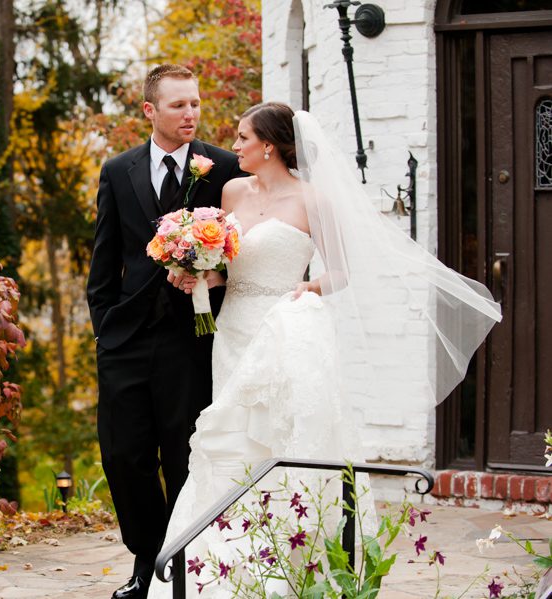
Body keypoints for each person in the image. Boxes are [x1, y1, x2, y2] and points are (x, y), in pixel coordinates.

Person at [148, 102, 503, 597]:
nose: (235, 145)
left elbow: (340, 271)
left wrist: (311, 289)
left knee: (278, 433)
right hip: (232, 330)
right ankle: (222, 558)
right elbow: (228, 264)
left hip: (285, 326)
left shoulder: (314, 200)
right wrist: (199, 273)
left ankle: (288, 555)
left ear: (269, 145)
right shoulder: (230, 192)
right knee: (231, 434)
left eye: (243, 137)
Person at [86, 64, 245, 599]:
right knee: (124, 456)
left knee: (183, 456)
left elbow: (241, 251)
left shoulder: (224, 168)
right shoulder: (117, 170)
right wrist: (104, 330)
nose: (191, 114)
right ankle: (145, 557)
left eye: (195, 104)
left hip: (193, 339)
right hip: (126, 340)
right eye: (178, 105)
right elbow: (104, 260)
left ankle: (178, 567)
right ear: (150, 111)